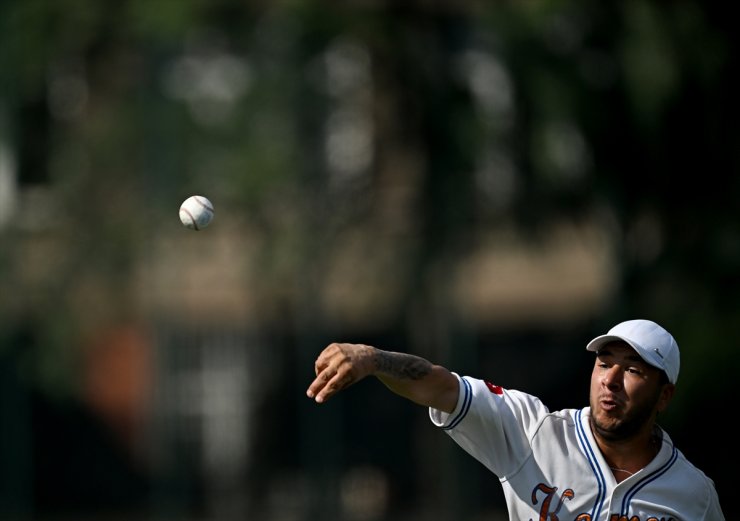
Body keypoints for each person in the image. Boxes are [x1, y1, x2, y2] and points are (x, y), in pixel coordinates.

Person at [306, 319, 725, 520]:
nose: (610, 380)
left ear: (664, 395)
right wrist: (373, 359)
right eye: (604, 362)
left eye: (633, 369)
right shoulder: (535, 432)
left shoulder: (693, 495)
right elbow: (440, 387)